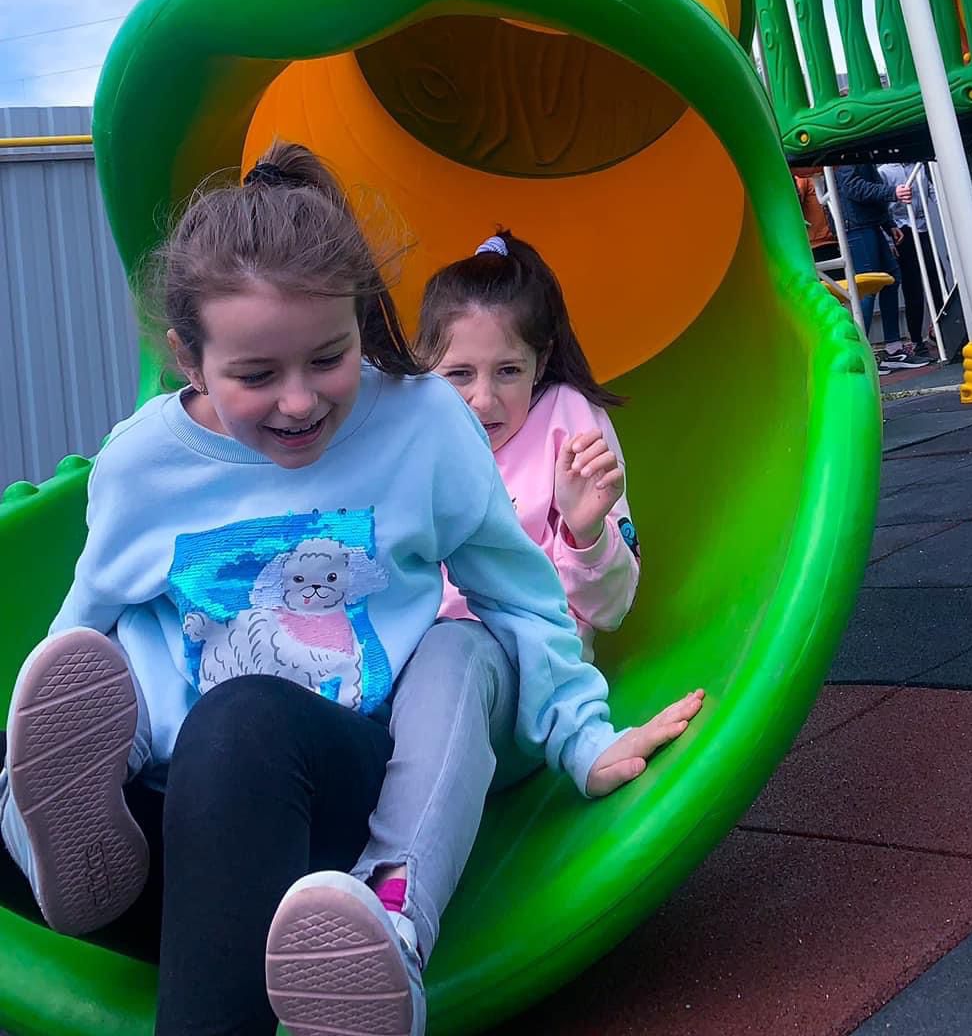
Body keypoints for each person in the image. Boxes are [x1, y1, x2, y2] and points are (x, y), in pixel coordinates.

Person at [0, 143, 700, 1036]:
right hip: (189, 804)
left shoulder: (420, 424)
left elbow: (519, 597)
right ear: (188, 359)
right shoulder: (143, 464)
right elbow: (80, 643)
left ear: (362, 321)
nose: (298, 402)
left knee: (421, 657)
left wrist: (580, 734)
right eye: (256, 375)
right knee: (131, 674)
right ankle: (64, 840)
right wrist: (34, 774)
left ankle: (389, 911)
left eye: (328, 359)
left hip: (350, 777)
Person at [345, 228, 642, 996]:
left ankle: (393, 913)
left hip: (524, 691)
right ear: (424, 368)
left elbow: (609, 608)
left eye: (508, 371)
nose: (485, 398)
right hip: (397, 689)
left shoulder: (567, 424)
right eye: (459, 374)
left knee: (456, 645)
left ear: (540, 364)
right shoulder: (412, 429)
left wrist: (586, 531)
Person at [832, 162, 905, 361]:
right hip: (857, 224)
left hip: (862, 222)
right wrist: (891, 193)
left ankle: (890, 348)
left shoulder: (851, 154)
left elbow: (857, 185)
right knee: (868, 286)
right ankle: (862, 352)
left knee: (888, 279)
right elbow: (852, 187)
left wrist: (888, 223)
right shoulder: (847, 153)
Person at [879, 161, 936, 369]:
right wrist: (889, 237)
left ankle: (939, 328)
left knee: (935, 276)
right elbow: (882, 204)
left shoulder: (920, 165)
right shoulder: (885, 171)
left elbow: (932, 191)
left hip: (922, 226)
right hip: (902, 229)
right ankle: (917, 340)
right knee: (913, 285)